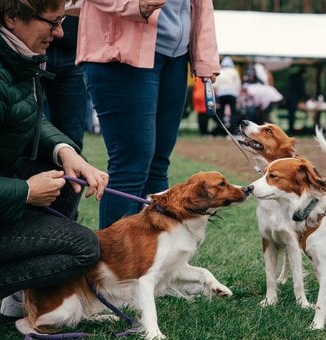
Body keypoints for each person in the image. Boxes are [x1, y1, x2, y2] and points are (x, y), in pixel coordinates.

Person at [0, 0, 108, 317]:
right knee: (83, 247)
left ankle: (24, 298)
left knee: (60, 172)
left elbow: (27, 116)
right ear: (12, 17)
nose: (60, 33)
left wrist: (66, 151)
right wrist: (26, 192)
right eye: (52, 22)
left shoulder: (17, 57)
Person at [77, 0, 220, 229]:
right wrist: (135, 5)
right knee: (132, 165)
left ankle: (156, 257)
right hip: (121, 55)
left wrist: (205, 57)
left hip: (175, 59)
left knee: (158, 164)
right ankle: (116, 259)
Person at [40, 1, 89, 149]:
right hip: (35, 46)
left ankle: (69, 170)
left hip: (73, 51)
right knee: (30, 122)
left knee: (72, 132)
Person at [214, 56, 241, 135]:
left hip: (221, 94)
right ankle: (233, 131)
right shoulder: (234, 71)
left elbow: (215, 86)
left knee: (220, 113)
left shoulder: (219, 71)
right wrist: (237, 97)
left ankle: (221, 131)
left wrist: (216, 98)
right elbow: (238, 85)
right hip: (232, 94)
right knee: (233, 113)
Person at [286, 67, 308, 135]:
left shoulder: (293, 79)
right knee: (292, 115)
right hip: (294, 99)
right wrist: (308, 98)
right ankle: (291, 130)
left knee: (290, 115)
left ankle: (290, 129)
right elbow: (302, 91)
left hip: (289, 98)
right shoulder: (300, 80)